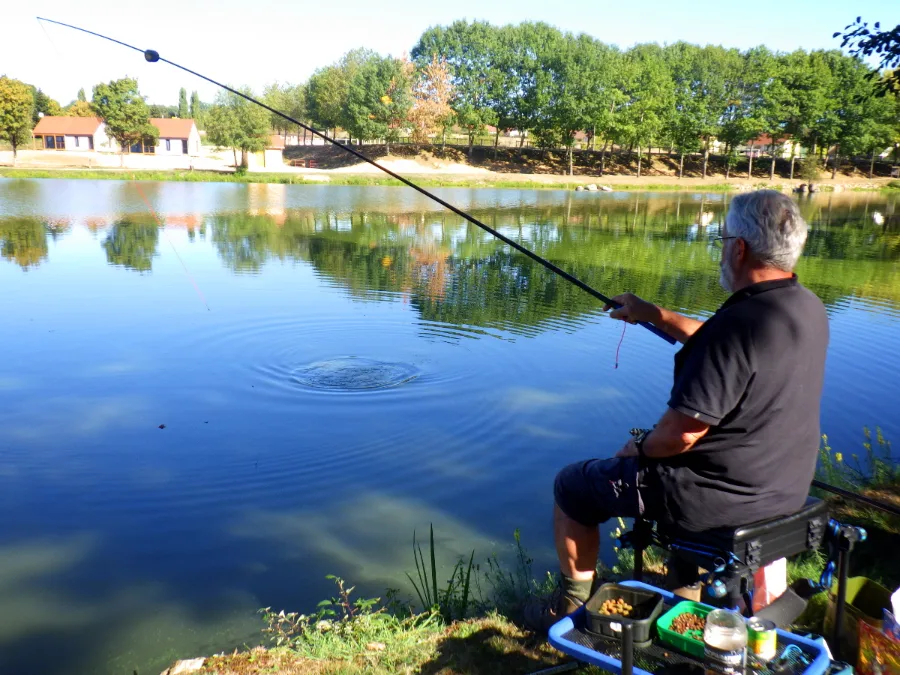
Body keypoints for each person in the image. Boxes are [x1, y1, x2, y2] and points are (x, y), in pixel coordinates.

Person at [525, 189, 829, 632]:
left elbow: (680, 436)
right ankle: (687, 591)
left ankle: (573, 607)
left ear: (739, 249)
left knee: (573, 486)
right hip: (783, 488)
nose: (722, 248)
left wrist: (640, 447)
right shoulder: (804, 307)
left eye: (723, 238)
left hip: (716, 500)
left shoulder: (737, 327)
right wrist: (653, 314)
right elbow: (727, 344)